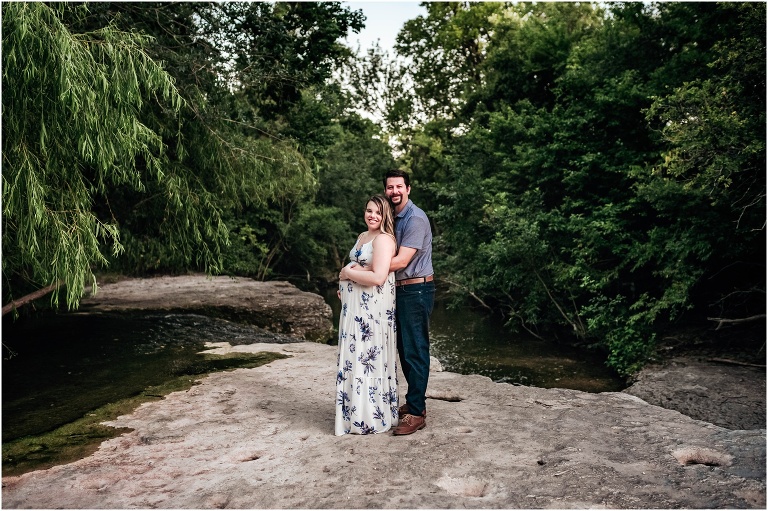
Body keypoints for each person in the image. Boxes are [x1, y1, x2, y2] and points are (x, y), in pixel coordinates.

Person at [335, 195, 399, 435]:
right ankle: (355, 413)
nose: (372, 215)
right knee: (354, 356)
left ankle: (370, 417)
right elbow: (359, 268)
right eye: (369, 210)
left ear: (385, 216)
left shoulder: (384, 239)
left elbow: (378, 277)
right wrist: (345, 286)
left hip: (371, 312)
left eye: (378, 212)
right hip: (354, 309)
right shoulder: (363, 236)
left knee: (367, 358)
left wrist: (347, 274)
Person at [384, 169, 435, 436]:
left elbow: (402, 261)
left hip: (416, 290)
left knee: (415, 350)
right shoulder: (392, 217)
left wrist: (364, 272)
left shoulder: (415, 218)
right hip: (400, 291)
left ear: (409, 189)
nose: (394, 192)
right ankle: (416, 403)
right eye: (390, 188)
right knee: (405, 350)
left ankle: (416, 413)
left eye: (399, 187)